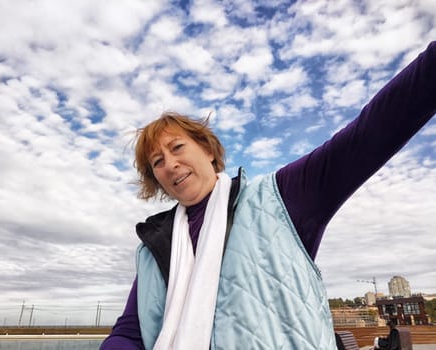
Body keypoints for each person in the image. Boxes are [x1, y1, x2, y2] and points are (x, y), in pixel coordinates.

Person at [100, 41, 435, 350]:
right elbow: (130, 333)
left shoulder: (282, 198)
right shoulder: (153, 247)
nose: (170, 164)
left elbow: (374, 130)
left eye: (177, 148)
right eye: (157, 162)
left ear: (208, 150)